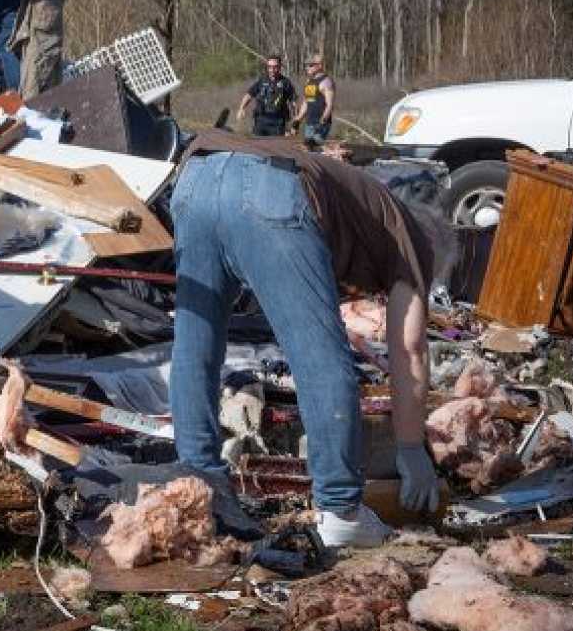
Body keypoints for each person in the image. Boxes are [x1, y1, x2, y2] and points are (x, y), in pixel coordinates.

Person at [168, 128, 453, 548]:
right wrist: (410, 448)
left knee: (196, 345)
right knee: (319, 357)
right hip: (268, 188)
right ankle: (341, 512)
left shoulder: (367, 211)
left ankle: (200, 487)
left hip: (197, 176)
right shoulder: (414, 242)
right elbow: (409, 348)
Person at [236, 54, 299, 137]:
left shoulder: (286, 83)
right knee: (257, 146)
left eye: (275, 67)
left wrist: (295, 124)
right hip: (261, 121)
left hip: (278, 122)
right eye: (269, 67)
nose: (272, 70)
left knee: (274, 147)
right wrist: (241, 108)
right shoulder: (262, 81)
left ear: (280, 67)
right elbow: (249, 95)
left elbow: (293, 102)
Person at [299, 53, 336, 146]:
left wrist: (322, 121)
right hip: (309, 123)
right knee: (308, 149)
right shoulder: (308, 81)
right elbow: (306, 102)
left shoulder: (326, 82)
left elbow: (329, 105)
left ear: (319, 66)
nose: (307, 68)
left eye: (310, 65)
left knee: (316, 148)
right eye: (306, 65)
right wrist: (297, 120)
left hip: (320, 124)